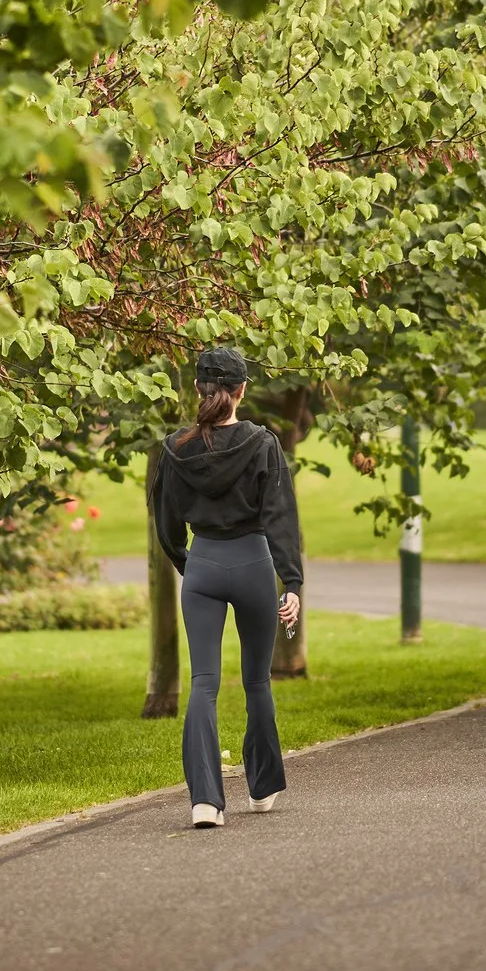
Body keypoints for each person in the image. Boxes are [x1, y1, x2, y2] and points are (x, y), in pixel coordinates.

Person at [148, 347, 304, 829]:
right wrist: (292, 581)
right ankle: (261, 790)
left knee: (204, 684)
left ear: (198, 389)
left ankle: (205, 803)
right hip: (254, 564)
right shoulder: (263, 443)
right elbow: (280, 516)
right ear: (241, 390)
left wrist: (188, 563)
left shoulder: (176, 447)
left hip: (204, 567)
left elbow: (166, 519)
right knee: (257, 681)